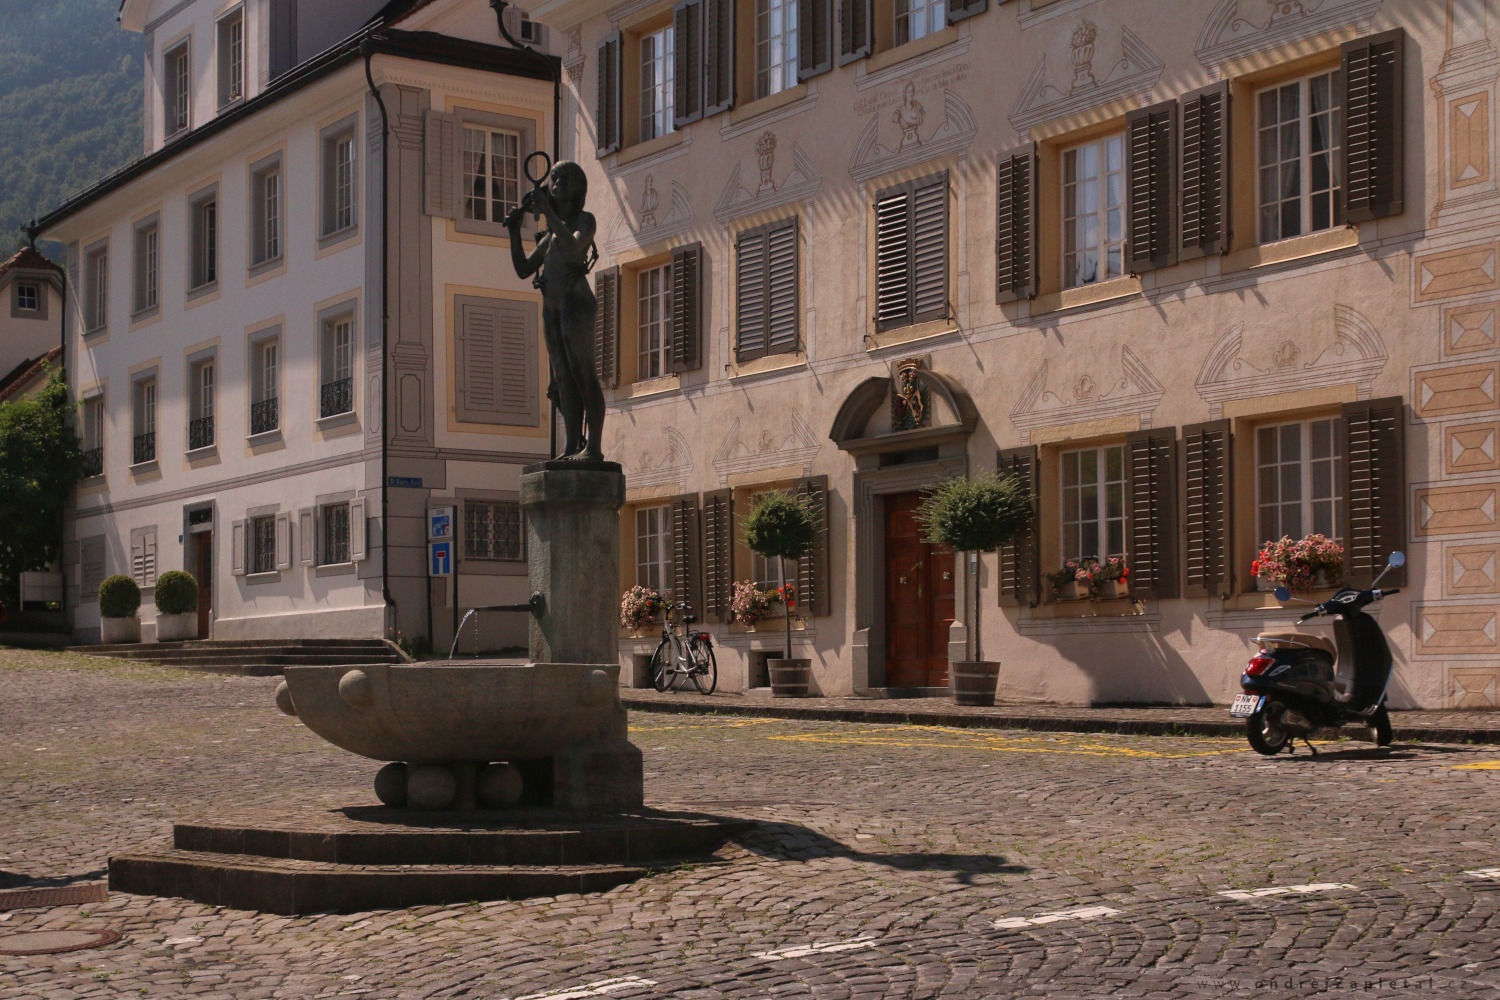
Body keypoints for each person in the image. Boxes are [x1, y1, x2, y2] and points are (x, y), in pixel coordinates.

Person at [504, 161, 606, 462]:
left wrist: (548, 212)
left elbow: (575, 248)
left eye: (562, 178)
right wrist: (513, 232)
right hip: (552, 308)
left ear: (575, 187)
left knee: (583, 372)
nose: (555, 182)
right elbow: (524, 269)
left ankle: (594, 448)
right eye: (553, 178)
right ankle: (573, 444)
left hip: (576, 304)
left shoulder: (585, 221)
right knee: (562, 378)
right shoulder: (549, 237)